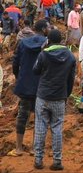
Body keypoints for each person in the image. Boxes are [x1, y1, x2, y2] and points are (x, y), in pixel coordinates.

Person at [32, 29, 76, 171]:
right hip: (59, 97)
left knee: (40, 127)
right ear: (61, 40)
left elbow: (35, 70)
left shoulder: (43, 54)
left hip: (43, 96)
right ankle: (57, 160)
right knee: (57, 128)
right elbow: (71, 78)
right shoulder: (69, 56)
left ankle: (38, 160)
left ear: (48, 40)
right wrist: (66, 94)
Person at [10, 20, 49, 157]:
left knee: (22, 115)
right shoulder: (47, 43)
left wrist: (18, 77)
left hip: (25, 84)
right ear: (44, 29)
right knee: (39, 116)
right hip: (41, 85)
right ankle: (34, 148)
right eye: (48, 27)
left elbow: (15, 63)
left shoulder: (23, 43)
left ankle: (18, 148)